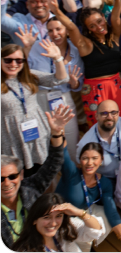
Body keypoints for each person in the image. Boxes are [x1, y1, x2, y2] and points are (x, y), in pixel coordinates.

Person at [1, 105, 71, 247]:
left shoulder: (30, 189)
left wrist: (56, 133)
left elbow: (54, 163)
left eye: (12, 177)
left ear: (21, 175)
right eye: (1, 179)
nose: (7, 183)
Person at [16, 17, 83, 161]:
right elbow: (24, 72)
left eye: (58, 29)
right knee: (45, 142)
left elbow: (78, 85)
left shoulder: (76, 50)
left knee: (71, 141)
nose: (55, 33)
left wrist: (74, 83)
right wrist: (27, 49)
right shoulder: (37, 46)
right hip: (39, 98)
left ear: (66, 30)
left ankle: (73, 172)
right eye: (50, 30)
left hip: (64, 98)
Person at [1, 42, 69, 172]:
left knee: (43, 172)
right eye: (8, 60)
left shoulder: (29, 75)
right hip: (12, 139)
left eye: (18, 60)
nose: (13, 64)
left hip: (38, 134)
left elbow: (60, 79)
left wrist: (57, 58)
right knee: (19, 174)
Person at [55, 143, 121, 251]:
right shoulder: (71, 173)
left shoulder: (104, 183)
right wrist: (58, 135)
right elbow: (63, 153)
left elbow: (112, 213)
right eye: (85, 158)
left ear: (101, 160)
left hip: (81, 213)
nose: (90, 163)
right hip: (60, 217)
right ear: (80, 160)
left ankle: (88, 243)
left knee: (106, 215)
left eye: (94, 158)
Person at [10, 193, 105, 252]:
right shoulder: (25, 249)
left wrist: (79, 212)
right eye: (47, 217)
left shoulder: (64, 228)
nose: (53, 223)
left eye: (58, 216)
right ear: (34, 220)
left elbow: (96, 230)